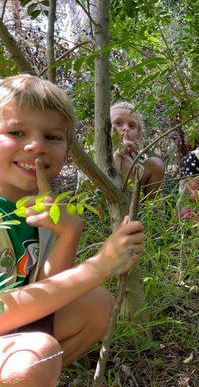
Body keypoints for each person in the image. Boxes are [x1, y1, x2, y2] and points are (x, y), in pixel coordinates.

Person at [0, 75, 145, 385]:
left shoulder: (38, 208)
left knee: (97, 304)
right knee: (37, 354)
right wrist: (99, 266)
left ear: (67, 150)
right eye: (15, 131)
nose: (37, 145)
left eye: (52, 136)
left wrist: (68, 233)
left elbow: (47, 295)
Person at [110, 102, 165, 198]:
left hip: (133, 205)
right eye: (118, 123)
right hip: (105, 205)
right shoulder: (101, 152)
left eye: (132, 126)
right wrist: (119, 153)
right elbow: (107, 176)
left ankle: (149, 210)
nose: (125, 128)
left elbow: (140, 177)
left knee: (156, 163)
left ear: (138, 134)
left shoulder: (136, 156)